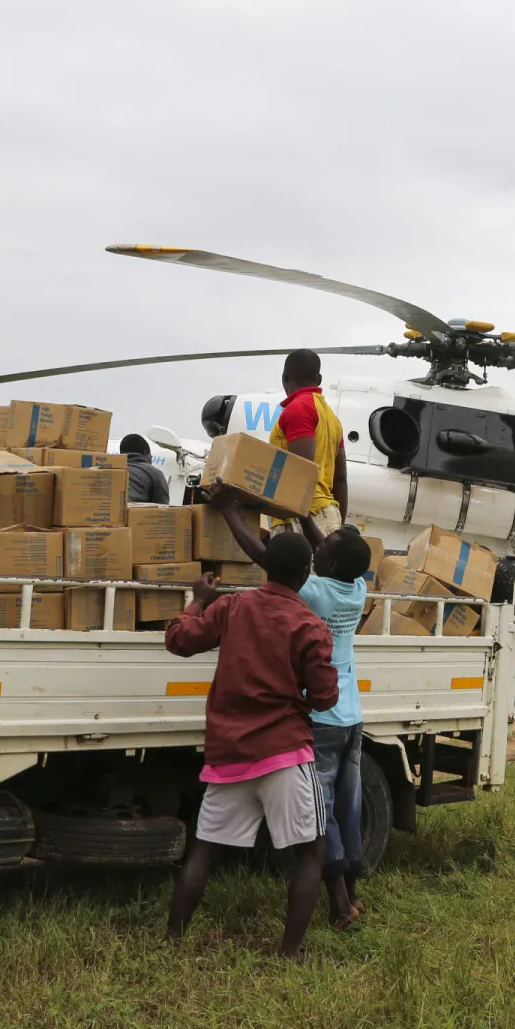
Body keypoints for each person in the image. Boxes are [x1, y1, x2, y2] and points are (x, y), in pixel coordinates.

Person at [163, 532, 340, 959]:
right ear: (305, 574)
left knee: (203, 850)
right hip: (283, 753)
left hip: (229, 756)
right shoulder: (309, 626)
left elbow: (180, 640)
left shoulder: (231, 606)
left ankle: (173, 940)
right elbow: (324, 698)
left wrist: (196, 599)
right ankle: (290, 952)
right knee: (311, 852)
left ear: (265, 567)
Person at [209, 484, 374, 929]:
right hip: (352, 716)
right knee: (348, 808)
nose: (315, 551)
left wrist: (228, 514)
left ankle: (340, 904)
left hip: (320, 717)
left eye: (323, 550)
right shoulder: (355, 586)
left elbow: (270, 563)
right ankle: (354, 894)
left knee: (322, 815)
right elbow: (327, 548)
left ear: (328, 566)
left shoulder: (316, 592)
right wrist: (302, 514)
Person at [269, 349, 347, 532]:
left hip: (301, 517)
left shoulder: (298, 408)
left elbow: (302, 470)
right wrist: (339, 527)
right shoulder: (333, 419)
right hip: (327, 514)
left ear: (285, 377)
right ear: (319, 380)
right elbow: (341, 479)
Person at [118, 433, 172, 505]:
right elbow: (163, 509)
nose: (151, 461)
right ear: (145, 452)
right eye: (151, 456)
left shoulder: (111, 470)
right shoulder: (155, 473)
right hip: (129, 513)